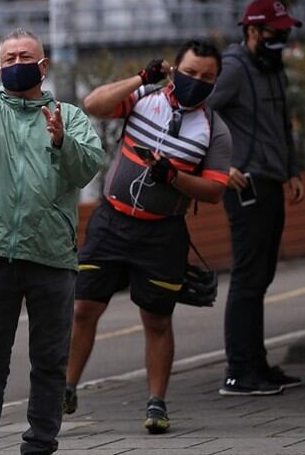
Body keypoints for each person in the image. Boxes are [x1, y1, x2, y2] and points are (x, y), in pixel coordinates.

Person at [0, 1, 104, 455]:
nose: (18, 63)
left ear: (43, 66)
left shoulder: (69, 116)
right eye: (9, 58)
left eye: (26, 57)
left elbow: (86, 168)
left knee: (50, 361)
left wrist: (61, 141)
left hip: (51, 254)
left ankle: (40, 442)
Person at [64, 41, 232, 434]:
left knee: (156, 319)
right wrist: (141, 78)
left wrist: (174, 176)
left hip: (162, 233)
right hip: (111, 222)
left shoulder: (214, 129)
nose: (197, 81)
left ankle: (157, 403)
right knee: (83, 308)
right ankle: (65, 388)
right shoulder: (144, 98)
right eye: (190, 72)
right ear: (174, 70)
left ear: (216, 81)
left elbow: (214, 190)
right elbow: (93, 104)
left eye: (207, 77)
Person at [207, 0, 305, 396]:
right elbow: (198, 114)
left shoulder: (272, 68)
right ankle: (238, 371)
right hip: (245, 184)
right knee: (248, 276)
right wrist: (218, 166)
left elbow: (283, 125)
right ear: (251, 31)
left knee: (262, 276)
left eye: (284, 33)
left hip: (272, 180)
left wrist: (292, 170)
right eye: (274, 33)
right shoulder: (233, 69)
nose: (280, 40)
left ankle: (257, 364)